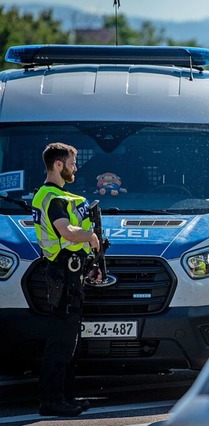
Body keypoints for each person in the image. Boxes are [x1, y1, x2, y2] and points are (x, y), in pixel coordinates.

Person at [32, 142, 100, 417]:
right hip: (61, 273)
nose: (75, 167)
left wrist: (90, 262)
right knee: (60, 341)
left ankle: (66, 396)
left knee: (70, 340)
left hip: (72, 273)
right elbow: (67, 232)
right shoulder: (52, 197)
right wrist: (90, 237)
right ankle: (52, 400)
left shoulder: (60, 196)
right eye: (72, 163)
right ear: (58, 165)